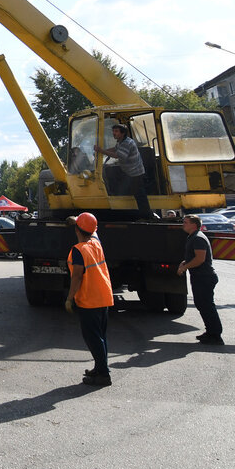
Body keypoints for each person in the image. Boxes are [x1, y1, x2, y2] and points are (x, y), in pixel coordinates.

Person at [65, 212, 114, 386]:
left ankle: (103, 374)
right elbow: (94, 230)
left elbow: (77, 276)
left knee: (92, 337)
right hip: (104, 296)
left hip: (89, 299)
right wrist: (77, 221)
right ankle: (100, 367)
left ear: (77, 229)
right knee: (100, 336)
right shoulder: (96, 243)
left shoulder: (78, 250)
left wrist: (69, 298)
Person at [178, 214, 223, 344]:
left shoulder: (198, 238)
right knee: (202, 304)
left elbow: (200, 259)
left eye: (186, 222)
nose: (183, 224)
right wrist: (185, 262)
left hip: (204, 277)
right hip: (200, 276)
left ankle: (215, 335)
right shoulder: (193, 237)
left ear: (194, 225)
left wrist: (184, 267)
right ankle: (210, 332)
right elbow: (194, 256)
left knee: (206, 305)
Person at [95, 122, 155, 219]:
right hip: (128, 170)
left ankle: (147, 216)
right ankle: (117, 192)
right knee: (110, 170)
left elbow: (118, 155)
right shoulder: (121, 142)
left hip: (135, 172)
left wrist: (101, 151)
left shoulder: (127, 143)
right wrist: (102, 150)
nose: (114, 133)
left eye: (116, 131)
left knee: (140, 195)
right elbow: (115, 149)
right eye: (113, 131)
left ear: (123, 133)